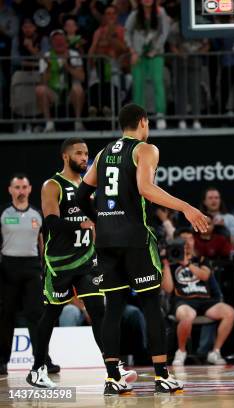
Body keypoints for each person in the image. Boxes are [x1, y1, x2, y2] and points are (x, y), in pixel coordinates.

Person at [75, 103, 208, 395]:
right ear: (144, 123)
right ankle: (161, 376)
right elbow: (146, 188)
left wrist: (98, 220)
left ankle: (113, 378)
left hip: (107, 241)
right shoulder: (146, 150)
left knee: (114, 309)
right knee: (151, 305)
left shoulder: (102, 154)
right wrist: (186, 207)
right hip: (136, 238)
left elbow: (82, 194)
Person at [26, 138, 137, 388]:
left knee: (98, 311)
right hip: (60, 263)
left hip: (88, 260)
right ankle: (37, 369)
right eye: (79, 153)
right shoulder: (52, 185)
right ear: (66, 156)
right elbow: (52, 223)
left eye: (86, 153)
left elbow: (97, 220)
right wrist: (81, 223)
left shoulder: (88, 187)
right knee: (50, 314)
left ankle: (112, 367)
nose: (84, 157)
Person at [0, 174, 57, 376]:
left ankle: (43, 361)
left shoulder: (37, 214)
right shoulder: (3, 213)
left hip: (32, 268)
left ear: (30, 189)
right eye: (17, 187)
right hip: (8, 268)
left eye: (24, 187)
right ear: (10, 190)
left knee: (37, 317)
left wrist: (43, 267)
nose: (21, 191)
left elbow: (42, 242)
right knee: (5, 317)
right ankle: (2, 362)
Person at [162, 229, 234, 366]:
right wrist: (165, 265)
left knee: (229, 312)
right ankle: (181, 351)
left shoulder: (201, 259)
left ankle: (215, 352)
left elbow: (205, 276)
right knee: (187, 315)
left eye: (190, 239)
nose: (188, 242)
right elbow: (168, 288)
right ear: (177, 242)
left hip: (206, 301)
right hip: (183, 301)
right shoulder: (171, 262)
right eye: (184, 239)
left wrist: (187, 264)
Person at [125, 0, 170, 130]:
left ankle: (160, 114)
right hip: (138, 55)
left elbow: (164, 33)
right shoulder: (134, 15)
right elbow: (127, 33)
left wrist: (155, 49)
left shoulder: (161, 12)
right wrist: (132, 51)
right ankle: (139, 119)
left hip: (155, 54)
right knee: (138, 84)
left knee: (158, 82)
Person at [35, 29, 85, 132]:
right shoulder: (47, 56)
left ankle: (78, 122)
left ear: (66, 41)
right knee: (40, 90)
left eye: (61, 40)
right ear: (51, 43)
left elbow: (82, 77)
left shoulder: (73, 54)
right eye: (56, 40)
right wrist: (48, 67)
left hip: (69, 92)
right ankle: (49, 124)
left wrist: (68, 67)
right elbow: (43, 82)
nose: (59, 42)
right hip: (54, 93)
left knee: (78, 88)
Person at [87, 4, 129, 118]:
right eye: (108, 14)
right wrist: (96, 43)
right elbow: (92, 52)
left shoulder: (123, 30)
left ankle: (110, 109)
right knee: (94, 79)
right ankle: (94, 109)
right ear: (104, 16)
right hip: (99, 65)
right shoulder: (98, 32)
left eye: (113, 13)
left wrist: (110, 37)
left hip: (116, 66)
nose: (110, 16)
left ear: (117, 16)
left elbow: (124, 50)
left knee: (114, 80)